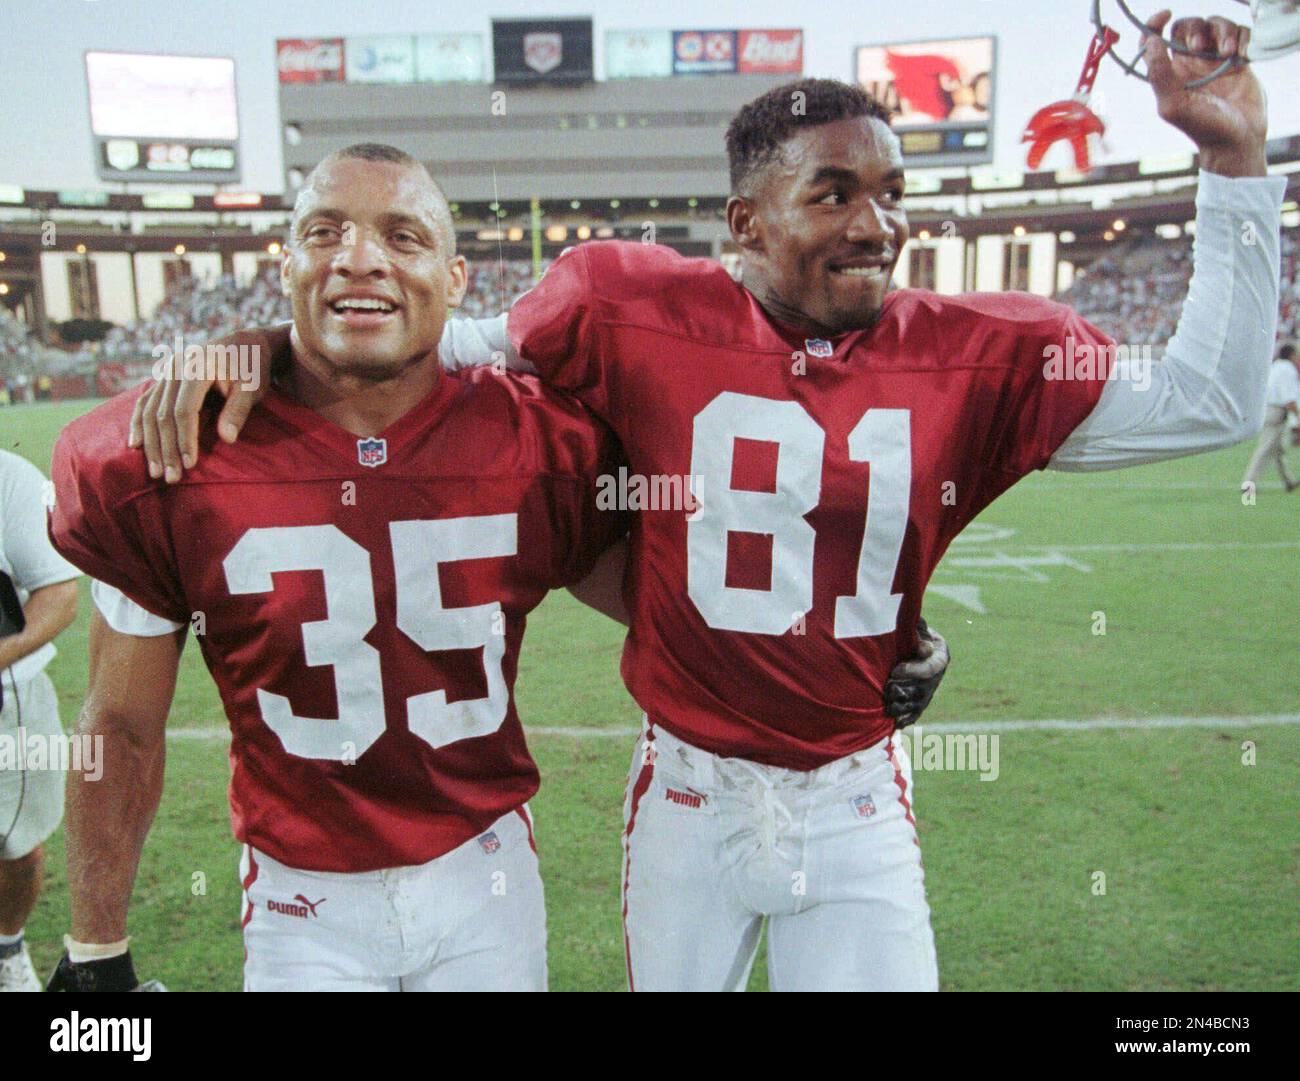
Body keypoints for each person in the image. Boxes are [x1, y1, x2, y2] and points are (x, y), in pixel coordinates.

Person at [137, 11, 1278, 993]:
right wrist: (263, 348)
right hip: (684, 792)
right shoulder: (622, 305)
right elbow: (426, 354)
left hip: (853, 798)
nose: (872, 225)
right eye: (830, 194)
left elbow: (1210, 401)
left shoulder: (979, 355)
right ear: (744, 223)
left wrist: (1234, 163)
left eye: (887, 194)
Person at [44, 144, 635, 992]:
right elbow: (122, 725)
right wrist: (95, 948)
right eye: (325, 231)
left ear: (457, 277)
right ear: (284, 266)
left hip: (485, 880)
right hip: (300, 905)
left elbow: (674, 605)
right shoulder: (174, 454)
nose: (359, 257)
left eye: (402, 236)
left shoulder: (537, 442)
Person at [0, 449, 79, 991]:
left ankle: (6, 944)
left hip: (10, 699)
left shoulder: (8, 477)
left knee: (18, 847)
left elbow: (58, 595)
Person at [1241, 342, 1300, 492]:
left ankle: (1289, 481)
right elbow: (1289, 398)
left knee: (1277, 450)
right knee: (1266, 448)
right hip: (1277, 411)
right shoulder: (1288, 370)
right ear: (1292, 355)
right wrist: (1297, 416)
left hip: (1267, 408)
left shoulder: (1275, 367)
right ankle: (1249, 482)